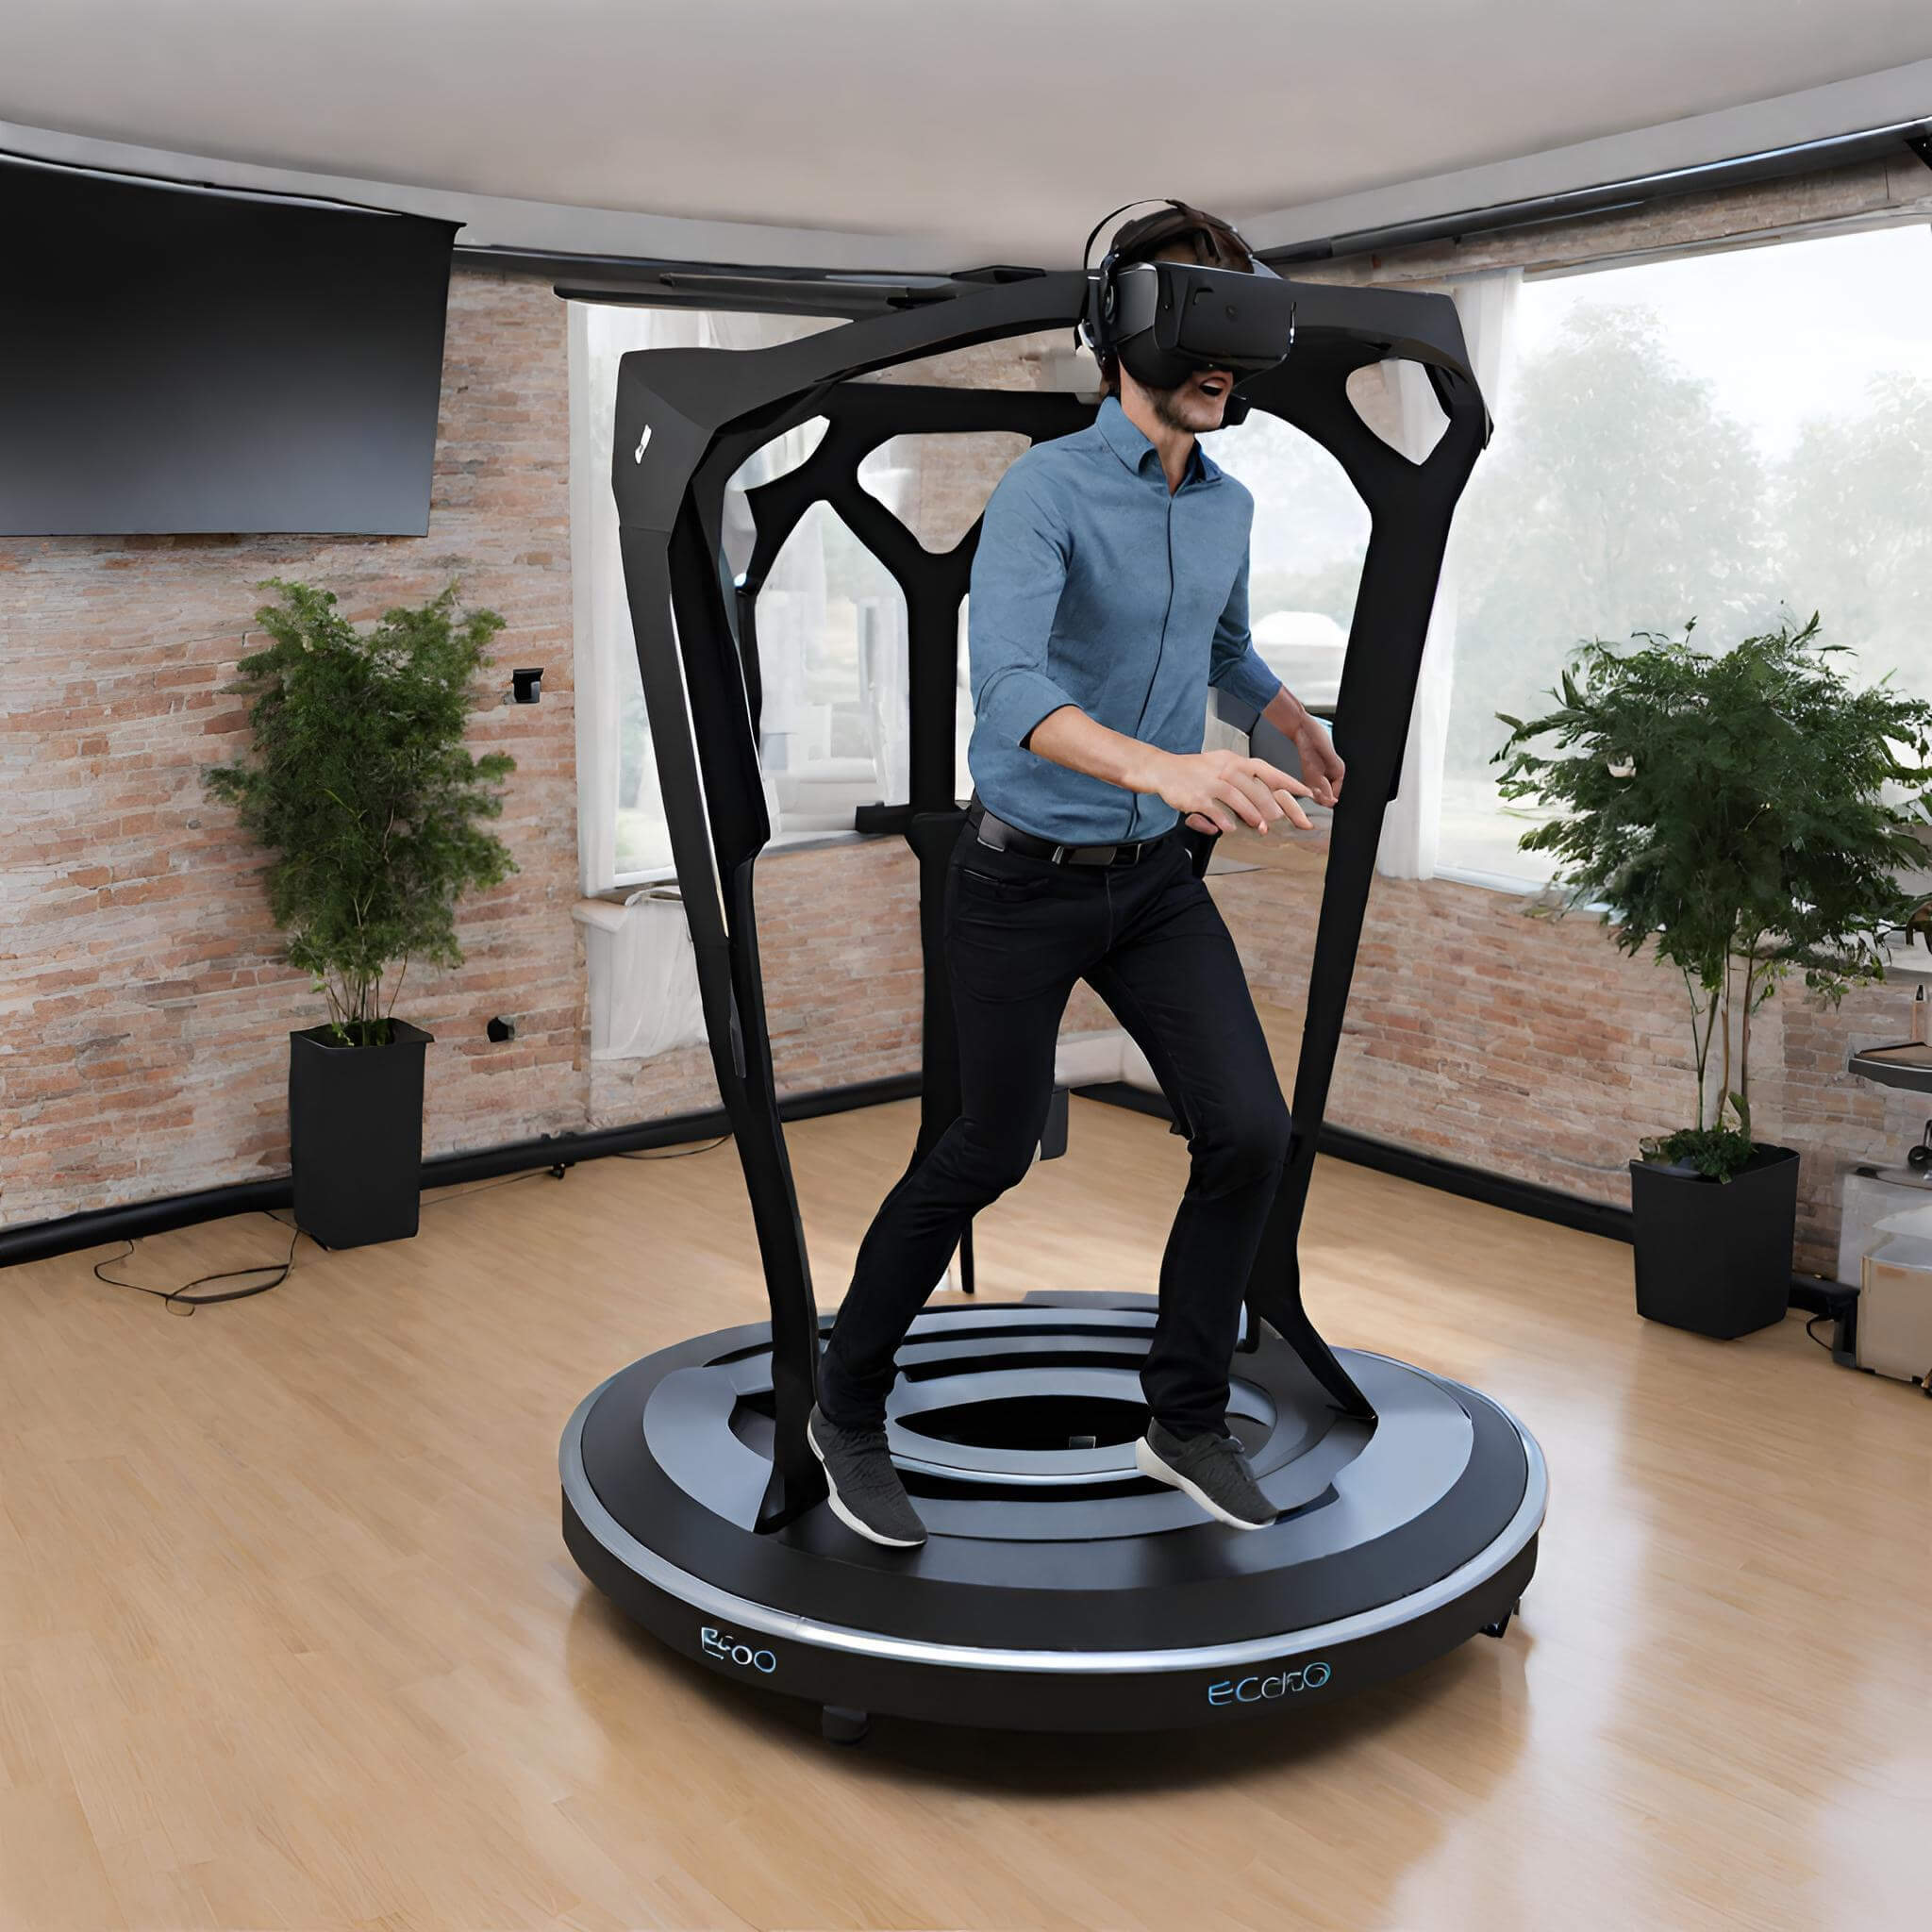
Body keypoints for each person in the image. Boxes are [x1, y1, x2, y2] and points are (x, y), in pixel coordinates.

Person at [808, 203, 1345, 1547]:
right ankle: (846, 1406)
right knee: (987, 1150)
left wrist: (1281, 711)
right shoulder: (1047, 490)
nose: (1224, 372)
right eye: (1200, 336)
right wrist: (1162, 769)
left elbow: (1218, 641)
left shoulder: (1230, 503)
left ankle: (1184, 1416)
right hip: (1021, 879)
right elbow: (1012, 693)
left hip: (1155, 884)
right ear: (1126, 333)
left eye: (1239, 341)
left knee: (1250, 1133)